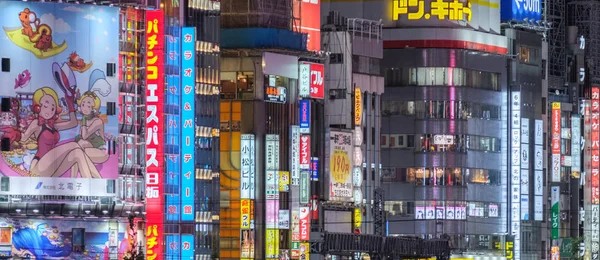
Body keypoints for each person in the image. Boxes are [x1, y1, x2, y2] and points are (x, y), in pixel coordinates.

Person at [21, 62, 101, 178]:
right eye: (46, 105)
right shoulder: (36, 123)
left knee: (77, 153)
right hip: (39, 166)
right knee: (74, 144)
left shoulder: (54, 125)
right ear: (38, 105)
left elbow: (73, 123)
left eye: (53, 107)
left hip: (52, 167)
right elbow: (23, 139)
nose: (50, 110)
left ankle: (95, 182)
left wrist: (70, 103)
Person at [71, 91, 109, 178]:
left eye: (88, 106)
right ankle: (73, 180)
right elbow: (81, 139)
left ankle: (95, 178)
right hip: (89, 147)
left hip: (101, 151)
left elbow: (85, 136)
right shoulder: (84, 121)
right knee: (78, 149)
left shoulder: (97, 121)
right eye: (83, 104)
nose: (84, 108)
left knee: (78, 152)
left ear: (94, 108)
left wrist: (83, 120)